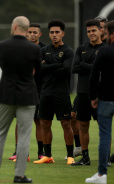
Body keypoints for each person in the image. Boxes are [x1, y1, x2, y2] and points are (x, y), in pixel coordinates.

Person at [0, 16, 41, 183]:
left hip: (7, 94)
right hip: (27, 95)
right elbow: (37, 70)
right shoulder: (34, 49)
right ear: (26, 29)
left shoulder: (2, 46)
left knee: (0, 134)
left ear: (15, 26)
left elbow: (3, 66)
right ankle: (19, 175)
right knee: (24, 136)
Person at [33, 19, 75, 165]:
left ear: (63, 33)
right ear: (49, 34)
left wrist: (49, 64)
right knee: (44, 123)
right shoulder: (43, 50)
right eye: (52, 32)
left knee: (66, 124)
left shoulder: (68, 51)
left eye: (57, 32)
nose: (54, 35)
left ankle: (70, 156)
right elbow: (39, 70)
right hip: (45, 93)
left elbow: (66, 70)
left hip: (62, 92)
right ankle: (48, 155)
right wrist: (58, 64)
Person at [10, 23, 46, 161]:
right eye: (30, 32)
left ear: (39, 34)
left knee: (38, 120)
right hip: (22, 88)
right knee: (20, 121)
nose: (32, 34)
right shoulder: (21, 48)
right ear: (26, 33)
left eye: (35, 32)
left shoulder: (44, 49)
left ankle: (41, 152)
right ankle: (18, 151)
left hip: (39, 89)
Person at [71, 19, 105, 166]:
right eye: (89, 31)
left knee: (103, 126)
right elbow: (74, 68)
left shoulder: (106, 49)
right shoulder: (81, 49)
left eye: (94, 31)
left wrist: (84, 65)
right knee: (83, 126)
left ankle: (105, 158)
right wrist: (93, 66)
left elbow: (104, 69)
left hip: (100, 94)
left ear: (100, 31)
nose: (91, 33)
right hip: (83, 93)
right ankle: (85, 158)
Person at [86, 20, 114, 184]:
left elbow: (94, 76)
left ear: (111, 34)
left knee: (104, 136)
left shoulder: (104, 52)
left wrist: (93, 97)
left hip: (105, 99)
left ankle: (101, 175)